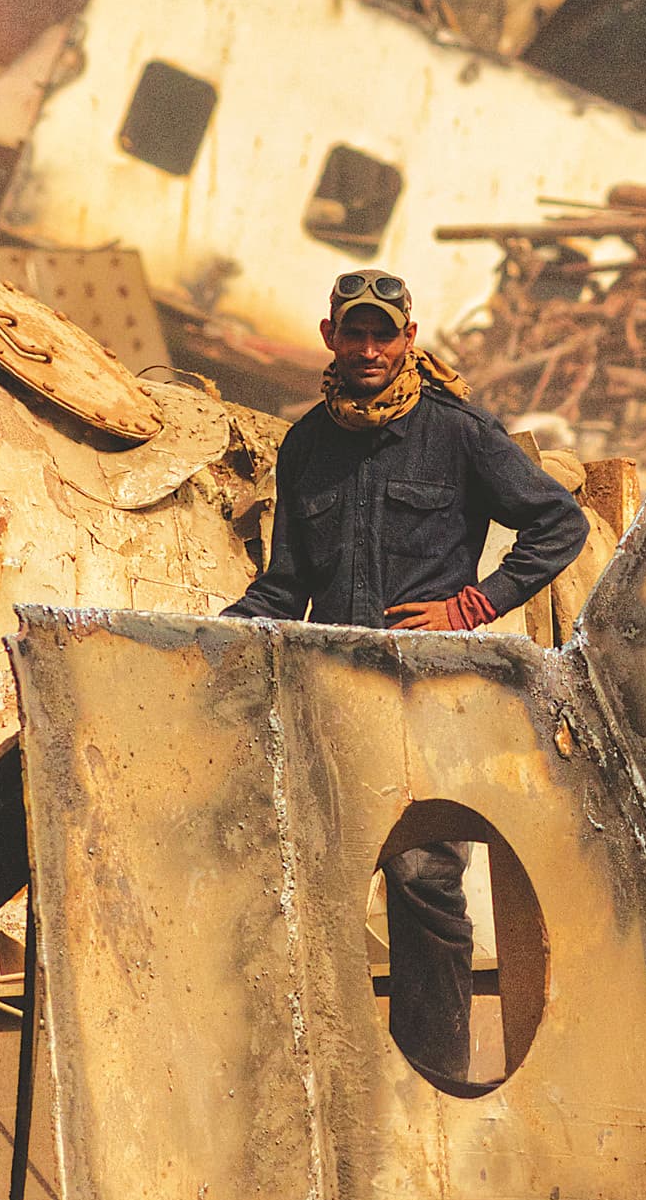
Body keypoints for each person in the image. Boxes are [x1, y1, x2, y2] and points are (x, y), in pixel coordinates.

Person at [224, 270, 587, 1083]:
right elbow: (285, 589)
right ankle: (334, 1082)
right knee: (317, 882)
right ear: (329, 337)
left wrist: (471, 608)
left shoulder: (457, 433)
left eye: (383, 334)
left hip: (429, 703)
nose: (368, 349)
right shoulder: (308, 443)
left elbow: (558, 520)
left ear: (409, 339)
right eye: (354, 333)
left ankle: (437, 1080)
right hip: (331, 702)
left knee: (424, 887)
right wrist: (208, 642)